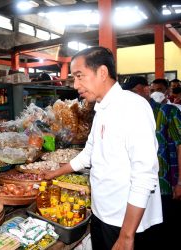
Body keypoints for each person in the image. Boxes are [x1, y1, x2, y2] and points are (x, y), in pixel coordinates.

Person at [42, 47, 162, 250]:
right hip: (102, 213)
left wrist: (126, 235)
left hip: (124, 221)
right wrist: (55, 172)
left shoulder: (133, 108)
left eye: (80, 76)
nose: (76, 85)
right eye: (73, 78)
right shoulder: (102, 109)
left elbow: (145, 175)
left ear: (103, 73)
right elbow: (89, 153)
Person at [121, 76, 181, 248]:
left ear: (146, 90)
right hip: (138, 188)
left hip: (165, 186)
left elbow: (180, 147)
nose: (129, 97)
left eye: (133, 92)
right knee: (143, 234)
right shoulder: (129, 115)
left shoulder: (168, 112)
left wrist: (179, 182)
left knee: (164, 232)